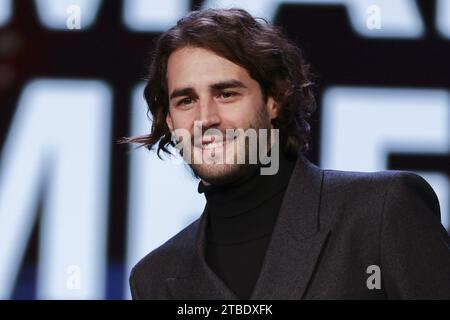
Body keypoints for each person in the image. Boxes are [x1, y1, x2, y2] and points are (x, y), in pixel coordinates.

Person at [123, 8, 450, 299]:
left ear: (274, 100)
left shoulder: (380, 212)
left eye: (226, 93)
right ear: (169, 119)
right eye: (186, 101)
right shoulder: (154, 278)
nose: (205, 118)